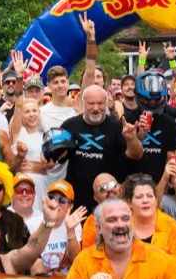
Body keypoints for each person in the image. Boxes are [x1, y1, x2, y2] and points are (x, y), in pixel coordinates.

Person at [82, 173, 176, 272]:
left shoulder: (172, 227)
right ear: (129, 202)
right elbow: (94, 259)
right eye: (139, 197)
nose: (145, 200)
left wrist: (148, 270)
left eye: (150, 196)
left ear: (157, 200)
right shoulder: (120, 225)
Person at [61, 84, 143, 213]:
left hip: (109, 198)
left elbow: (136, 155)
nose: (96, 108)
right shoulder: (70, 125)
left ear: (106, 103)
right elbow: (58, 157)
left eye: (100, 103)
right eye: (91, 103)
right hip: (77, 199)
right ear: (83, 103)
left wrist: (132, 139)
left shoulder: (117, 127)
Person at [67, 198, 176, 279]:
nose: (120, 225)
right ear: (99, 229)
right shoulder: (84, 260)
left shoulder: (160, 259)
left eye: (125, 218)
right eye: (112, 220)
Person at [32, 180, 88, 277]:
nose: (56, 203)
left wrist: (70, 230)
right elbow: (29, 261)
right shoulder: (34, 222)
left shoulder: (74, 223)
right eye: (51, 198)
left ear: (71, 205)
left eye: (62, 200)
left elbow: (76, 261)